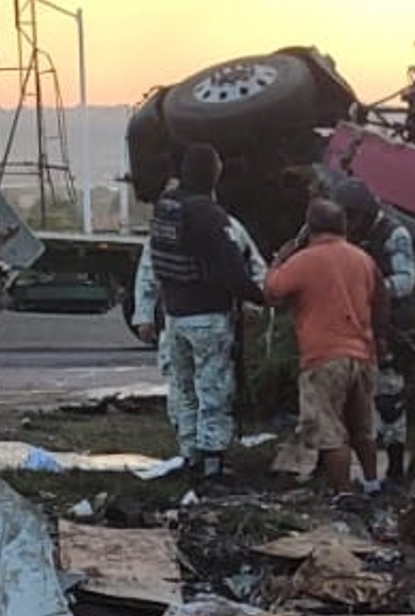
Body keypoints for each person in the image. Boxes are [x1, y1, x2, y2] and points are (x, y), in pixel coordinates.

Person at [131, 143, 264, 480]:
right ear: (214, 174)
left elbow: (151, 265)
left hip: (174, 318)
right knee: (213, 389)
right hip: (208, 317)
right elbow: (240, 268)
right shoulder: (215, 219)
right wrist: (260, 298)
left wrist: (144, 312)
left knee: (184, 389)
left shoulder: (166, 211)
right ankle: (211, 461)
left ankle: (188, 455)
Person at [263, 198, 387, 495]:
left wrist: (280, 259)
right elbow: (382, 299)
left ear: (310, 228)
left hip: (323, 358)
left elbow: (272, 291)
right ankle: (372, 485)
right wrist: (378, 341)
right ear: (343, 226)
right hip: (363, 355)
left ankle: (343, 497)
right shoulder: (363, 259)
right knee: (362, 429)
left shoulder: (304, 260)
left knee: (330, 433)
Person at [332, 178, 415, 484]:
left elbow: (407, 280)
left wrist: (369, 290)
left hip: (388, 324)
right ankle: (349, 470)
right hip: (350, 326)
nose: (349, 226)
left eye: (352, 217)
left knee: (389, 394)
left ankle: (395, 469)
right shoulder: (342, 236)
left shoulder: (393, 234)